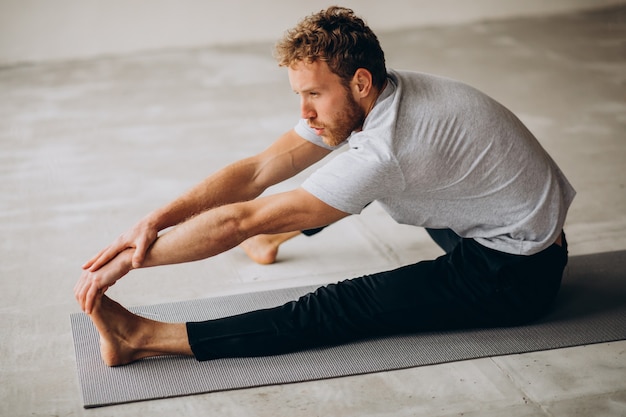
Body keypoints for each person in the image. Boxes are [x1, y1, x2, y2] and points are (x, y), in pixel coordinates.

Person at [74, 6, 575, 366]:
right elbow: (255, 172)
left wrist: (124, 261)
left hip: (514, 271)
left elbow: (240, 219)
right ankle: (280, 237)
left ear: (359, 82)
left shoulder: (387, 148)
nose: (304, 112)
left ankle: (141, 337)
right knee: (342, 182)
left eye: (314, 94)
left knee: (342, 306)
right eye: (299, 94)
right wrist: (153, 222)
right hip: (499, 213)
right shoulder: (384, 91)